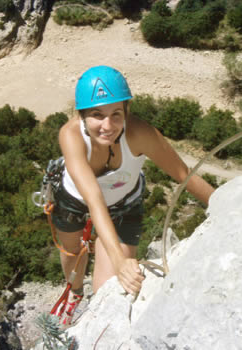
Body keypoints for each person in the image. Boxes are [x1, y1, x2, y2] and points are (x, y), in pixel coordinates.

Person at [51, 65, 214, 325]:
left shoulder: (140, 134)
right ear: (81, 115)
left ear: (127, 110)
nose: (108, 126)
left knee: (112, 288)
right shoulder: (71, 136)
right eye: (97, 115)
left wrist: (223, 204)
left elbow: (183, 174)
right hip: (75, 201)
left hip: (123, 206)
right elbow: (93, 199)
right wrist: (119, 259)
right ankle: (75, 292)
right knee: (72, 253)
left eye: (116, 114)